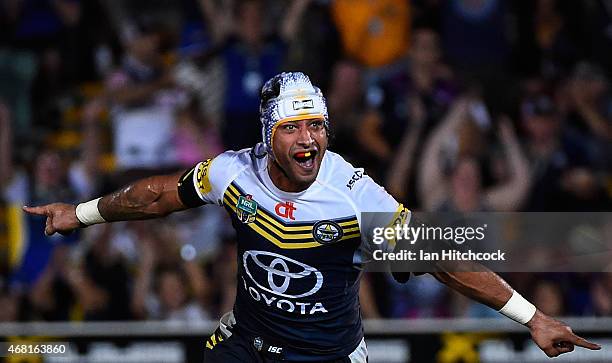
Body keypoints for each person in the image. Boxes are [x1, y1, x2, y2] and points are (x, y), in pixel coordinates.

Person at [24, 72, 600, 361]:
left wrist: (532, 318)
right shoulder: (231, 172)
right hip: (247, 343)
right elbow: (156, 196)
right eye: (293, 127)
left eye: (317, 126)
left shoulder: (354, 193)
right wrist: (80, 212)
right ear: (268, 135)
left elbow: (443, 259)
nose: (309, 139)